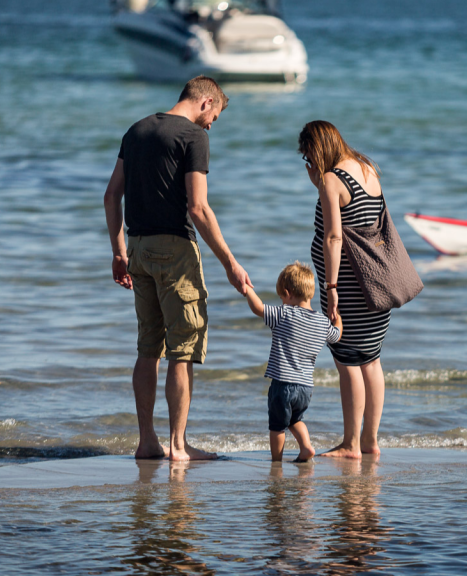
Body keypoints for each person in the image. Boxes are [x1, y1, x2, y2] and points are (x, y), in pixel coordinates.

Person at [103, 76, 252, 461]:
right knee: (182, 350)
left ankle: (147, 441)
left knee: (147, 347)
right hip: (175, 250)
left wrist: (118, 252)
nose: (210, 125)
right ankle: (178, 446)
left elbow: (111, 195)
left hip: (137, 247)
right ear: (205, 102)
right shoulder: (192, 137)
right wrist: (230, 263)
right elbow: (198, 208)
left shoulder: (135, 131)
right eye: (214, 117)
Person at [298, 120, 390, 460]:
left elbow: (334, 236)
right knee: (372, 361)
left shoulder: (331, 180)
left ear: (317, 148)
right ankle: (370, 440)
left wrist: (331, 288)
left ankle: (351, 444)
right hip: (376, 284)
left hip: (348, 286)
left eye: (308, 154)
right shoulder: (367, 168)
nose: (308, 162)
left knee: (347, 361)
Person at [244, 262, 342, 462]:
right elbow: (337, 336)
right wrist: (337, 317)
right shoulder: (322, 322)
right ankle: (306, 447)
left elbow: (258, 308)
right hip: (306, 388)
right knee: (296, 419)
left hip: (283, 385)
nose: (281, 302)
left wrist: (247, 290)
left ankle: (276, 461)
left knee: (277, 425)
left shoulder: (284, 314)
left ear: (287, 294)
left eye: (281, 298)